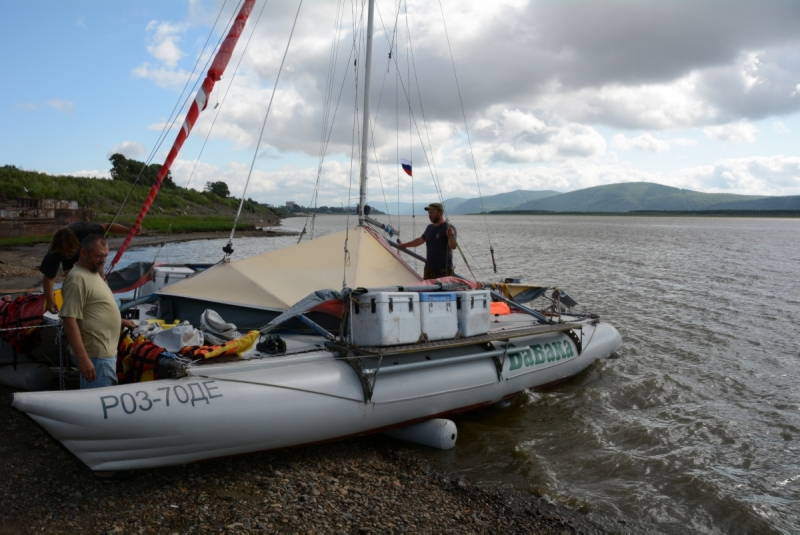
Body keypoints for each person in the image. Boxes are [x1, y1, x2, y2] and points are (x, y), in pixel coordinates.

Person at [59, 234, 134, 389]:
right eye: (98, 256)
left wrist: (120, 321)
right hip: (95, 356)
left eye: (105, 255)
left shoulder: (93, 273)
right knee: (100, 403)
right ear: (83, 253)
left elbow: (95, 308)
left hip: (105, 353)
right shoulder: (77, 279)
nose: (103, 260)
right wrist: (83, 359)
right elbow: (69, 319)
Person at [39, 221, 128, 313]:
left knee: (99, 273)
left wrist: (128, 231)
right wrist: (50, 301)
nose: (67, 253)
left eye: (69, 251)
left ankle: (106, 301)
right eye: (65, 252)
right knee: (73, 281)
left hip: (90, 253)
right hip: (70, 260)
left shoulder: (87, 230)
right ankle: (75, 306)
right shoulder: (54, 252)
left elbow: (108, 226)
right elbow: (48, 278)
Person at [398, 202, 458, 279]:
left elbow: (453, 246)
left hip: (443, 271)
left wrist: (451, 236)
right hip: (429, 269)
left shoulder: (448, 228)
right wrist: (404, 245)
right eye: (429, 213)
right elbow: (420, 240)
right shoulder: (429, 228)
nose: (429, 215)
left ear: (440, 212)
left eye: (432, 212)